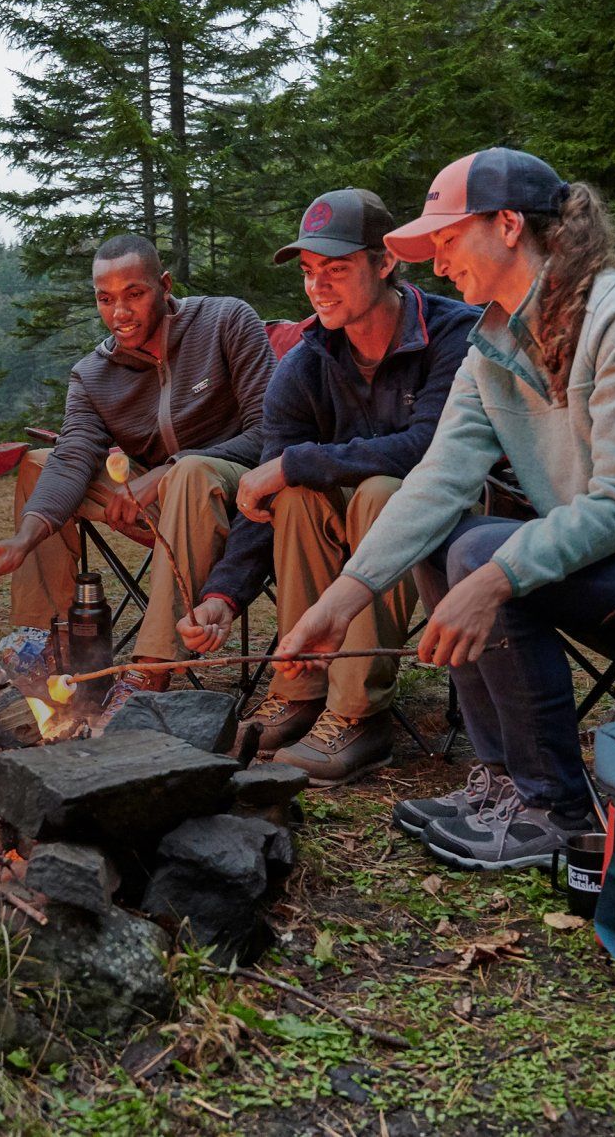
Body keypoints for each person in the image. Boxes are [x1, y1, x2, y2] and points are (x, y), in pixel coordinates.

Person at [274, 148, 615, 869]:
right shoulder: (493, 343)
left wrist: (496, 578)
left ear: (506, 225)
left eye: (446, 239)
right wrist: (342, 599)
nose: (436, 265)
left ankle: (555, 808)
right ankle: (503, 784)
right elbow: (437, 479)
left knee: (480, 556)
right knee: (450, 537)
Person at [178, 189, 479, 784]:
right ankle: (300, 687)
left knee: (378, 492)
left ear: (386, 261)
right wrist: (223, 596)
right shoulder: (307, 361)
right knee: (294, 495)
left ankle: (358, 713)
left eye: (336, 270)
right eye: (311, 273)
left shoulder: (454, 333)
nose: (319, 287)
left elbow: (432, 449)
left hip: (457, 519)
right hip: (355, 537)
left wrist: (299, 462)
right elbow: (265, 494)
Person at [0, 233, 277, 709]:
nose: (120, 313)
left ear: (164, 284)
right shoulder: (93, 374)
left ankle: (150, 668)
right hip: (152, 508)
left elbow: (269, 432)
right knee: (37, 463)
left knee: (189, 471)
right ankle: (41, 645)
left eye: (135, 293)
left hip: (238, 497)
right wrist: (21, 539)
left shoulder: (225, 321)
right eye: (105, 299)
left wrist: (164, 473)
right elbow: (72, 457)